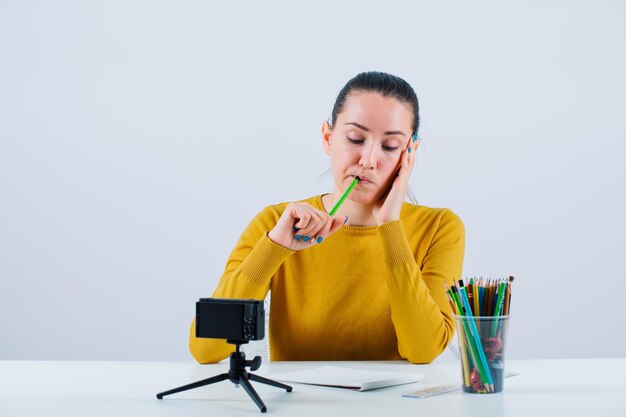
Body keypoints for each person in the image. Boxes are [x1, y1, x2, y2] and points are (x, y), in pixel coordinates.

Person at [189, 71, 465, 364]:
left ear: (410, 153)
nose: (368, 160)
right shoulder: (276, 222)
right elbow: (206, 349)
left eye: (390, 146)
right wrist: (274, 247)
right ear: (327, 137)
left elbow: (423, 351)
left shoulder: (439, 228)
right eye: (355, 138)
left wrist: (390, 227)